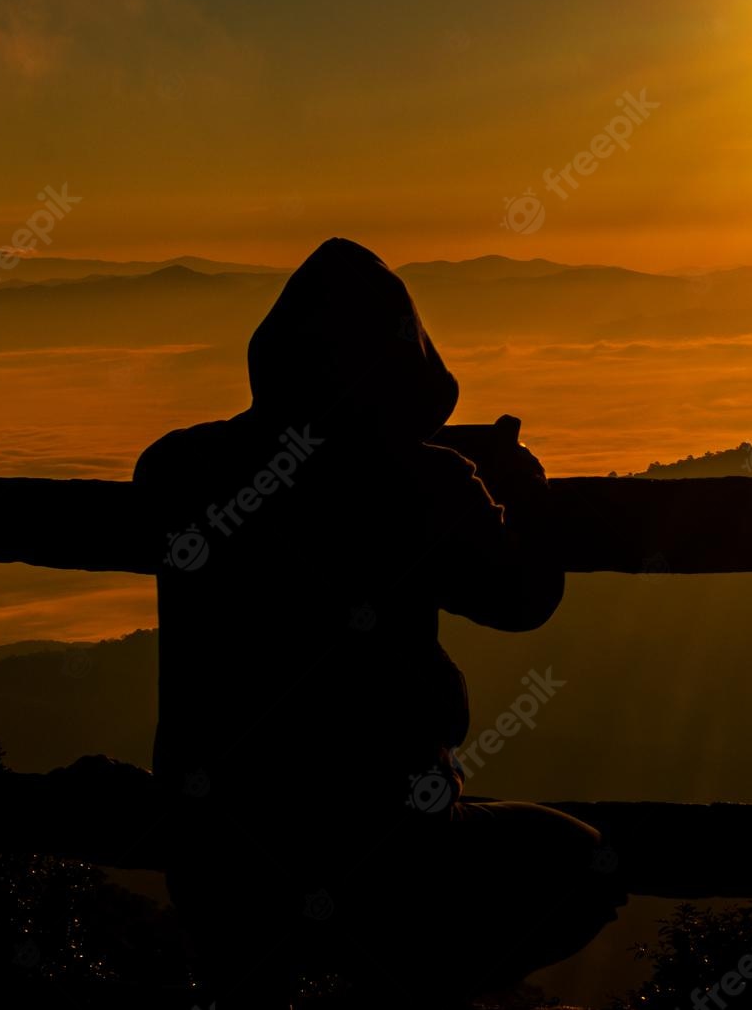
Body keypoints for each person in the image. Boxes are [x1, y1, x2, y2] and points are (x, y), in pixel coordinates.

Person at [133, 238, 620, 1007]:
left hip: (215, 852)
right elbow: (524, 600)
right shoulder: (418, 480)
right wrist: (518, 487)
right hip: (385, 848)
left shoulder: (177, 465)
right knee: (592, 869)